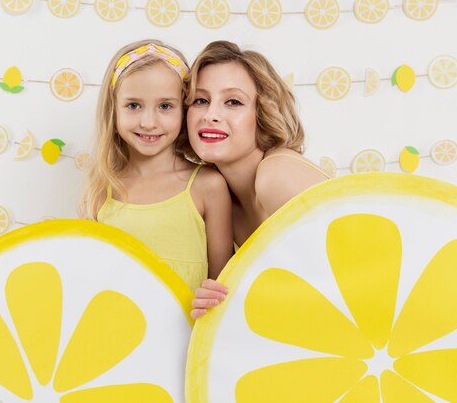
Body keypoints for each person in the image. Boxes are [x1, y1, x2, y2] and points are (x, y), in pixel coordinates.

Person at [184, 40, 330, 318]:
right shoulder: (216, 195)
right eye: (200, 100)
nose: (210, 115)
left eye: (233, 102)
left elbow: (343, 280)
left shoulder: (276, 176)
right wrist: (214, 301)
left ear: (262, 113)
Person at [79, 40, 233, 292]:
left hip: (187, 330)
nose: (149, 122)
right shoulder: (101, 189)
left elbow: (223, 284)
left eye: (165, 106)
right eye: (133, 105)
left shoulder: (208, 186)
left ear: (184, 109)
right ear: (113, 109)